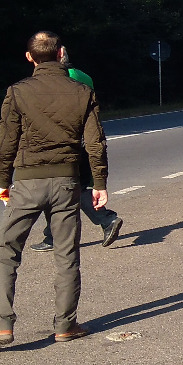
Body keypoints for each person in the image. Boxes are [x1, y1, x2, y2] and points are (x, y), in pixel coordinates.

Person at [0, 31, 109, 352]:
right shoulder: (82, 92)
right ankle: (66, 325)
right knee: (66, 254)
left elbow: (6, 141)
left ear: (29, 57)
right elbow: (95, 142)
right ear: (60, 55)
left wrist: (4, 182)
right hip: (67, 182)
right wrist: (99, 184)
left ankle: (1, 324)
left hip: (27, 182)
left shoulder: (17, 92)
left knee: (7, 250)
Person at [27, 56, 122, 252]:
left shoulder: (60, 79)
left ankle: (104, 220)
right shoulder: (83, 76)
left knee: (56, 187)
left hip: (63, 141)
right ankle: (55, 234)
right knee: (74, 186)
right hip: (83, 139)